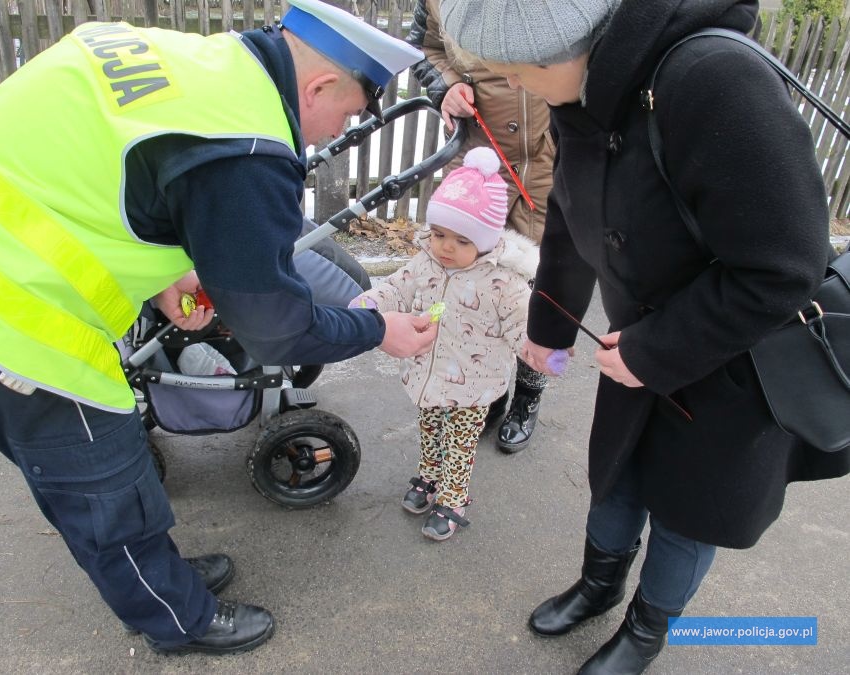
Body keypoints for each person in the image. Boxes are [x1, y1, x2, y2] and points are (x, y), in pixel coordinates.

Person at [0, 0, 436, 657]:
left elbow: (97, 172)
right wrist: (377, 330)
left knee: (109, 471)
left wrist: (159, 274)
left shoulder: (199, 65)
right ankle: (173, 618)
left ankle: (156, 574)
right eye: (348, 114)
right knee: (103, 478)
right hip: (0, 306)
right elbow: (276, 330)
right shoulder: (245, 148)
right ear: (319, 86)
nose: (331, 133)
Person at [440, 0, 850, 673]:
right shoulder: (589, 88)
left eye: (511, 72)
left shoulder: (715, 82)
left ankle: (648, 628)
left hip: (734, 361)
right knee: (618, 477)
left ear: (561, 48)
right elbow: (573, 216)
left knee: (690, 511)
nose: (513, 88)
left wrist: (655, 351)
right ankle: (599, 586)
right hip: (635, 345)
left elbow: (783, 268)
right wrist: (548, 327)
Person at [349, 147, 539, 541]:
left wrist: (541, 350)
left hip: (473, 385)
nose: (445, 247)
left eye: (461, 240)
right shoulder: (426, 263)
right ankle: (429, 478)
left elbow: (523, 327)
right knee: (430, 429)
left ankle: (454, 498)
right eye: (438, 235)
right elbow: (397, 287)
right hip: (427, 373)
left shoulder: (504, 283)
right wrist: (369, 304)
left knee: (460, 443)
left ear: (485, 242)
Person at [406, 0, 556, 454]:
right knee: (472, 286)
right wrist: (446, 86)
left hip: (547, 169)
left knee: (537, 293)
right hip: (479, 166)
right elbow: (422, 47)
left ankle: (528, 396)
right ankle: (488, 392)